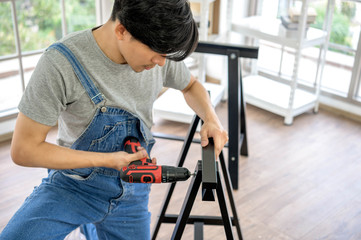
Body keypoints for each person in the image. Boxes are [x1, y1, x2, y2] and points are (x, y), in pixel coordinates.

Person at [0, 0, 228, 239]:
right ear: (122, 30)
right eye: (157, 53)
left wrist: (211, 118)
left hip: (132, 194)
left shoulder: (158, 55)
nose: (161, 63)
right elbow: (23, 149)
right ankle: (90, 224)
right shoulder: (60, 63)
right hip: (74, 186)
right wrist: (109, 160)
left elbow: (191, 85)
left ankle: (92, 227)